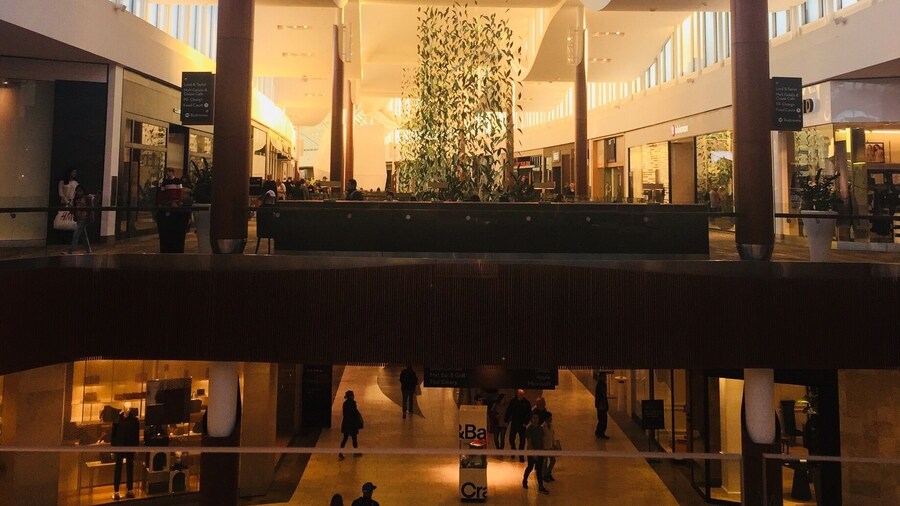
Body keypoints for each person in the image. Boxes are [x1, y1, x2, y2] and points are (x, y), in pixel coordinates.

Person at [111, 405, 140, 500]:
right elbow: (113, 435)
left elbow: (136, 435)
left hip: (129, 446)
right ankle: (116, 491)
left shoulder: (134, 420)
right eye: (127, 408)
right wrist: (113, 449)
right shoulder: (117, 419)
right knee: (118, 468)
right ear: (123, 408)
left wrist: (136, 449)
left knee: (129, 468)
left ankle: (129, 490)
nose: (128, 409)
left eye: (129, 408)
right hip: (120, 446)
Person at [522, 412, 549, 494]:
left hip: (540, 452)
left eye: (537, 418)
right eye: (534, 418)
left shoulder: (540, 429)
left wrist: (543, 451)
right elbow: (529, 443)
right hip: (531, 452)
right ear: (531, 419)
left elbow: (543, 440)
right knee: (530, 467)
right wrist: (533, 453)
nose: (535, 420)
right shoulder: (529, 429)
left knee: (539, 470)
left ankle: (541, 486)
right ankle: (525, 480)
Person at [65, 186, 94, 254]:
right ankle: (88, 250)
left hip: (84, 218)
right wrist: (71, 207)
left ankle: (70, 250)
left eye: (80, 191)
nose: (78, 193)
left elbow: (91, 208)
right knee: (83, 235)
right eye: (77, 191)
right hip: (78, 218)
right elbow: (73, 210)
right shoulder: (76, 199)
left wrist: (91, 217)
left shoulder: (87, 198)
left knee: (76, 233)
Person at [505, 389, 532, 462]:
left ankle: (521, 455)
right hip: (514, 423)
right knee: (511, 439)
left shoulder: (526, 403)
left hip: (522, 424)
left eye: (523, 394)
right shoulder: (513, 402)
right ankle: (513, 450)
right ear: (518, 394)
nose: (523, 396)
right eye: (521, 394)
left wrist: (525, 423)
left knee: (522, 440)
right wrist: (506, 420)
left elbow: (529, 414)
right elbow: (509, 411)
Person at [339, 390, 363, 460]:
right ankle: (355, 451)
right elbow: (354, 414)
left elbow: (344, 414)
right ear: (351, 396)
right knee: (354, 438)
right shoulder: (352, 403)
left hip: (346, 423)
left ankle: (340, 452)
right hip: (352, 424)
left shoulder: (345, 403)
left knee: (345, 438)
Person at [542, 412, 558, 482]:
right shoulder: (543, 427)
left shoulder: (551, 426)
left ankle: (548, 473)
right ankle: (544, 475)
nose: (551, 419)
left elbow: (552, 436)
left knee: (553, 460)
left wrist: (554, 444)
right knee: (544, 463)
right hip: (545, 447)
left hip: (550, 446)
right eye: (550, 418)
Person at [595, 373, 610, 439]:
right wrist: (604, 404)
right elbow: (603, 396)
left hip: (600, 405)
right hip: (601, 405)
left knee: (601, 419)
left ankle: (598, 432)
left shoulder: (599, 384)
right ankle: (601, 433)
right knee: (603, 420)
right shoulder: (601, 385)